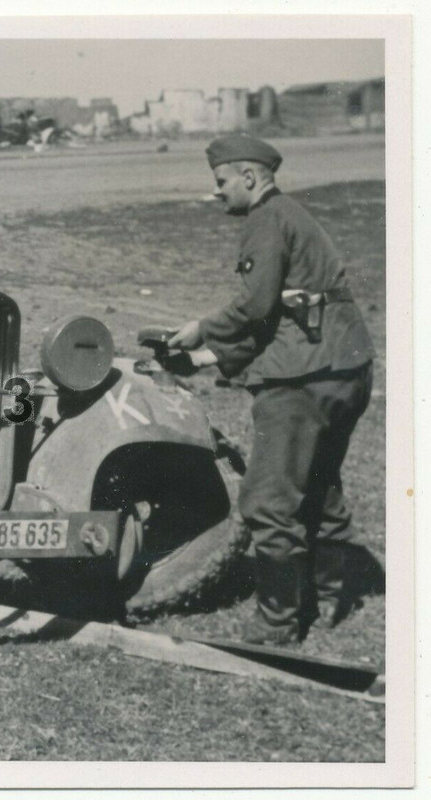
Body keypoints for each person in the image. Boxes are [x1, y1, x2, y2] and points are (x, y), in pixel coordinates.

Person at [168, 134, 375, 645]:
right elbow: (288, 310)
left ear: (250, 178)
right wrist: (204, 359)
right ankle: (330, 599)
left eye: (221, 182)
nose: (217, 193)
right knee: (320, 488)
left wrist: (202, 328)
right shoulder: (293, 216)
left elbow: (258, 307)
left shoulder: (264, 220)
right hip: (346, 367)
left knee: (266, 500)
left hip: (301, 378)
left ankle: (278, 622)